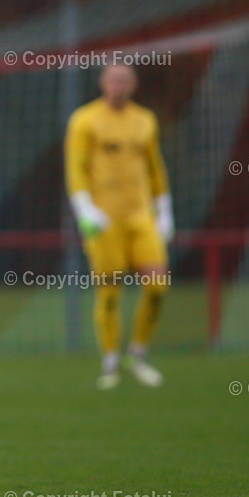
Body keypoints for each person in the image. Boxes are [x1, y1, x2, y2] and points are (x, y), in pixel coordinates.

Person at [64, 63, 174, 389]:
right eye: (113, 79)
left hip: (141, 218)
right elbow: (76, 167)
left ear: (134, 84)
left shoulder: (145, 120)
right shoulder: (85, 119)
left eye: (124, 80)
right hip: (104, 220)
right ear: (102, 83)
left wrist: (164, 208)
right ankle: (110, 361)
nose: (119, 85)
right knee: (110, 292)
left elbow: (155, 166)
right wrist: (84, 208)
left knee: (157, 287)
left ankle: (137, 354)